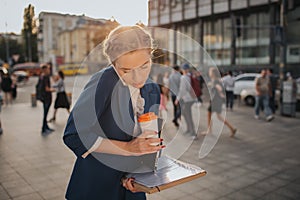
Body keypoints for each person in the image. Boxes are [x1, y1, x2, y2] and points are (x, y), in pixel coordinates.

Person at [63, 25, 165, 200]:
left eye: (144, 66)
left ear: (151, 55)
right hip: (97, 187)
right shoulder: (103, 81)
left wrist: (142, 176)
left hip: (132, 187)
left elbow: (146, 140)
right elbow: (74, 135)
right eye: (126, 71)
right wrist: (127, 148)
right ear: (113, 64)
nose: (138, 78)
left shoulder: (152, 89)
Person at [202, 67, 237, 137]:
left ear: (213, 73)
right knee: (218, 116)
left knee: (209, 115)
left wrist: (218, 89)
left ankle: (209, 131)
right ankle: (232, 128)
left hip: (215, 100)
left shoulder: (215, 81)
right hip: (217, 100)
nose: (209, 72)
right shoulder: (217, 80)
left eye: (210, 71)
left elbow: (219, 88)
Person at [175, 63, 197, 138]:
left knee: (188, 115)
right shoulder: (190, 76)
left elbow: (182, 90)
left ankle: (193, 133)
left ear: (183, 70)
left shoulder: (184, 77)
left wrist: (178, 99)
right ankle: (189, 129)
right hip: (191, 98)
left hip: (187, 99)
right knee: (185, 113)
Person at [38, 64, 55, 134]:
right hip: (47, 98)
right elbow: (47, 89)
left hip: (43, 97)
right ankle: (43, 129)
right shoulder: (46, 77)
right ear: (45, 70)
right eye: (48, 69)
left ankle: (46, 127)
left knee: (46, 113)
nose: (49, 70)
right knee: (45, 113)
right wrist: (53, 90)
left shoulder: (41, 76)